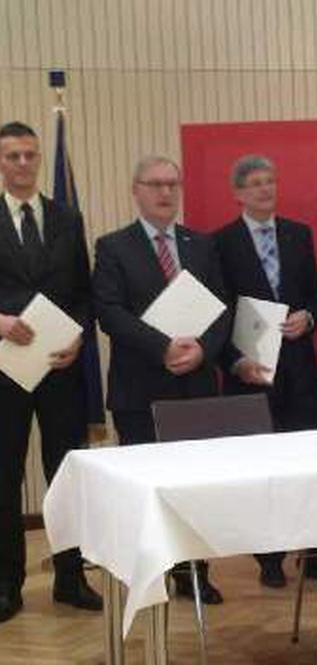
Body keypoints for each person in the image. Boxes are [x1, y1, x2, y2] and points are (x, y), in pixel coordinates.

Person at [0, 121, 101, 623]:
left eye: (30, 155)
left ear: (39, 159)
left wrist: (78, 336)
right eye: (13, 156)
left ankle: (71, 578)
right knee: (5, 480)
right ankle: (5, 587)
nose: (22, 163)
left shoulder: (67, 218)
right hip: (5, 372)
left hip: (61, 369)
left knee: (66, 478)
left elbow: (83, 292)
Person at [92, 155, 230, 603]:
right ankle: (149, 573)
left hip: (196, 385)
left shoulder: (202, 244)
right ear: (136, 190)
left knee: (194, 486)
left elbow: (223, 308)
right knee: (145, 488)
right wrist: (162, 347)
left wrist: (204, 349)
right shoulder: (113, 246)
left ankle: (194, 574)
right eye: (155, 184)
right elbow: (109, 312)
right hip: (140, 388)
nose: (165, 192)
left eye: (172, 183)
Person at [214, 154, 317, 587]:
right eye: (255, 183)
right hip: (250, 371)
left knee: (306, 463)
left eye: (269, 181)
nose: (264, 189)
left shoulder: (298, 233)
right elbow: (217, 312)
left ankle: (312, 550)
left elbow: (313, 293)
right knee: (260, 467)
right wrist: (235, 362)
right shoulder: (220, 242)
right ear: (238, 193)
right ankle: (269, 559)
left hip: (300, 369)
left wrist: (309, 317)